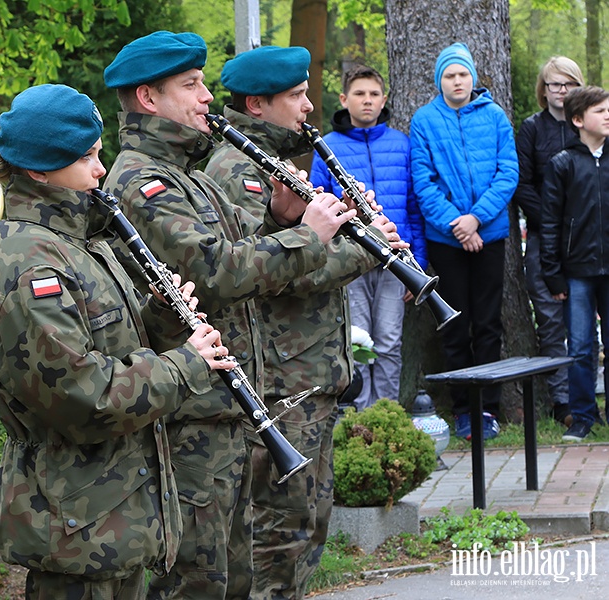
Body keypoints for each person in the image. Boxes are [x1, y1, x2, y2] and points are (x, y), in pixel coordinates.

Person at [102, 31, 361, 599]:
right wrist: (309, 237)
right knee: (199, 580)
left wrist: (276, 220)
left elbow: (246, 258)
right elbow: (214, 272)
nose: (205, 97)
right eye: (191, 85)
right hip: (190, 412)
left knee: (237, 573)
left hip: (227, 405)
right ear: (148, 98)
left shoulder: (187, 171)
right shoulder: (144, 179)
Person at [0, 83, 230, 599]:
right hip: (75, 526)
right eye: (86, 156)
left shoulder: (76, 240)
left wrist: (160, 317)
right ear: (41, 171)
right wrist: (186, 366)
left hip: (108, 518)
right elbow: (82, 396)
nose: (100, 168)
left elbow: (111, 344)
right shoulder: (30, 262)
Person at [204, 47, 394, 600]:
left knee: (306, 525)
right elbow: (264, 271)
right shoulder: (240, 170)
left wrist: (353, 231)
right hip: (282, 376)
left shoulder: (278, 159)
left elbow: (298, 250)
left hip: (306, 368)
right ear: (258, 105)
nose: (310, 107)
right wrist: (365, 251)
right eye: (296, 96)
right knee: (280, 533)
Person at [410, 42, 519, 440]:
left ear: (473, 77)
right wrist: (457, 224)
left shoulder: (494, 117)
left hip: (489, 235)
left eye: (463, 74)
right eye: (450, 75)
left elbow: (508, 172)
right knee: (455, 325)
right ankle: (462, 409)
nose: (457, 81)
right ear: (440, 81)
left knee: (488, 323)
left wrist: (476, 219)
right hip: (447, 240)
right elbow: (423, 182)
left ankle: (488, 408)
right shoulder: (425, 120)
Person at [308, 63, 425, 412]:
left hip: (395, 259)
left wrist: (416, 263)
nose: (367, 101)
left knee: (389, 341)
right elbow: (317, 202)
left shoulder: (401, 144)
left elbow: (413, 206)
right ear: (344, 100)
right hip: (349, 260)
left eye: (374, 94)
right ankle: (358, 422)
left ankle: (386, 415)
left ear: (384, 98)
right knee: (358, 341)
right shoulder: (328, 146)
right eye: (359, 94)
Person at [515, 57, 585, 427]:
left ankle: (587, 397)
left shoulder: (587, 129)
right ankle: (562, 402)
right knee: (551, 321)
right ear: (544, 89)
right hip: (544, 238)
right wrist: (552, 221)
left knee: (584, 323)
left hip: (585, 239)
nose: (561, 91)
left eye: (568, 84)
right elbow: (522, 184)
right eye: (555, 84)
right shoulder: (532, 129)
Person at [541, 85, 609, 442]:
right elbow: (549, 223)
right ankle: (583, 416)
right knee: (581, 347)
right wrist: (553, 275)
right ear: (579, 120)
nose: (608, 116)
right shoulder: (562, 164)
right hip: (577, 273)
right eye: (600, 111)